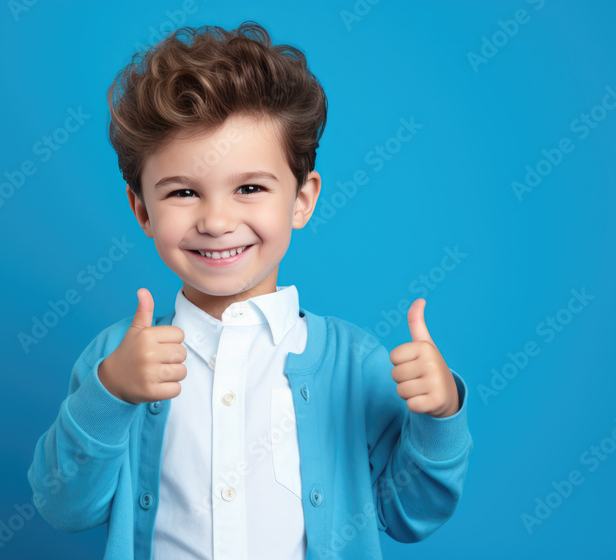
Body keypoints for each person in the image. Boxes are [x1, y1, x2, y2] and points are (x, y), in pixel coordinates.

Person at [28, 21, 472, 560]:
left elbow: (409, 515)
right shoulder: (114, 361)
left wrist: (438, 417)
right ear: (142, 209)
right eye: (185, 192)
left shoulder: (354, 363)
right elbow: (64, 507)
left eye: (250, 188)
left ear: (302, 199)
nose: (217, 220)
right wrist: (111, 394)